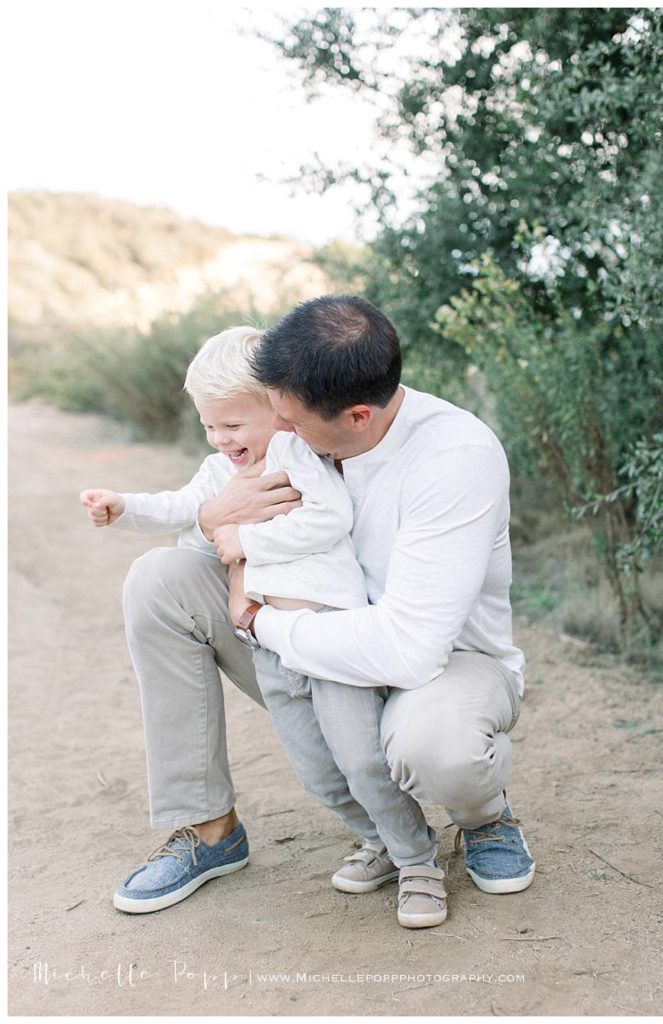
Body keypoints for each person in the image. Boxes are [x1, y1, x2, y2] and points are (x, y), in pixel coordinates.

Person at [104, 295, 534, 924]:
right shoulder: (303, 421)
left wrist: (259, 621)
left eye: (290, 421)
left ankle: (483, 817)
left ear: (357, 417)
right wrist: (209, 519)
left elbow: (409, 648)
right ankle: (208, 831)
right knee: (159, 579)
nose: (278, 432)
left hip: (440, 664)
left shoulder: (453, 456)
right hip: (318, 643)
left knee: (435, 744)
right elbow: (222, 532)